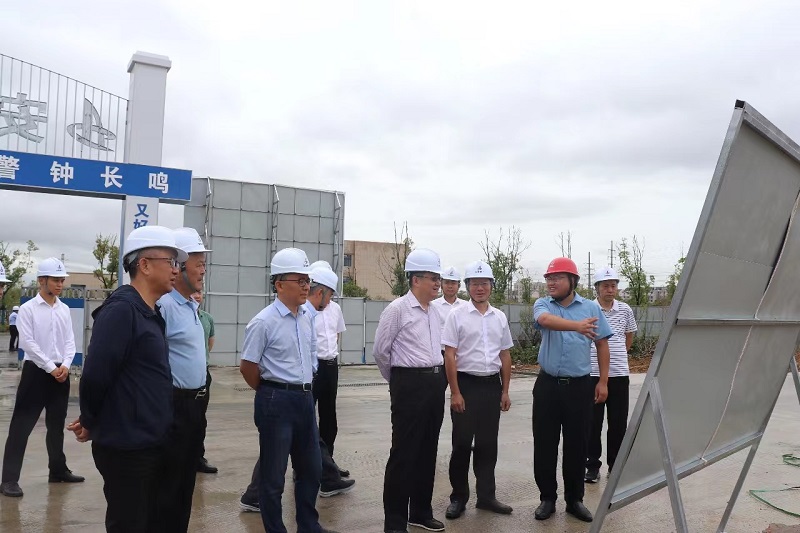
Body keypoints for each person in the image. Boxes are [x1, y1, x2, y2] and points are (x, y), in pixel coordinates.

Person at [68, 225, 185, 532]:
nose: (176, 269)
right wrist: (90, 420)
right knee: (128, 524)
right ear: (144, 265)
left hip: (148, 440)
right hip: (127, 447)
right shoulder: (121, 311)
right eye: (171, 261)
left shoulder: (149, 311)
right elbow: (96, 375)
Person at [238, 263, 354, 514]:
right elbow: (248, 366)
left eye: (306, 282)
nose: (305, 288)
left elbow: (316, 348)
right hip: (283, 391)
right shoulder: (273, 319)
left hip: (313, 378)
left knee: (316, 434)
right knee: (279, 449)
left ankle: (325, 474)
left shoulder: (313, 314)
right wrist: (271, 390)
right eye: (301, 282)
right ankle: (259, 494)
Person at [532, 257, 612, 523]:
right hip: (548, 386)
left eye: (557, 278)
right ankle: (547, 498)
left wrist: (603, 381)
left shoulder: (590, 307)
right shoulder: (543, 304)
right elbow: (545, 320)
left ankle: (575, 500)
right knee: (545, 443)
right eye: (548, 278)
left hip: (579, 387)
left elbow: (602, 344)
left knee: (577, 444)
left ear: (572, 281)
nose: (551, 283)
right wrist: (577, 326)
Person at [374, 248, 448, 533]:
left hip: (434, 382)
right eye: (433, 278)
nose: (438, 283)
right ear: (416, 279)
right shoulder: (397, 310)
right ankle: (394, 522)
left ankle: (420, 512)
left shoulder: (436, 312)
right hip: (408, 384)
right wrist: (399, 381)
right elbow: (381, 352)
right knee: (404, 453)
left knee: (428, 451)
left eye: (438, 278)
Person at [1, 257, 83, 498]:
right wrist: (50, 367)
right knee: (21, 426)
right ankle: (9, 480)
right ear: (41, 280)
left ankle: (57, 470)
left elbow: (70, 341)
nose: (60, 284)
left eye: (62, 280)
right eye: (55, 280)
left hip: (61, 373)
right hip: (36, 372)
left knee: (56, 425)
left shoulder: (64, 309)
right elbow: (27, 343)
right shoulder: (28, 309)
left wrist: (65, 365)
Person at [442, 260, 514, 520]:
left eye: (484, 283)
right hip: (466, 385)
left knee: (487, 444)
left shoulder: (499, 317)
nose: (480, 288)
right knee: (461, 444)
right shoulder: (456, 315)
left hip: (491, 386)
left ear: (492, 286)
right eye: (474, 283)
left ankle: (486, 497)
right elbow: (450, 355)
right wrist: (455, 392)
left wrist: (505, 391)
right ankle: (458, 497)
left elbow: (505, 355)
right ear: (468, 286)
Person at [153, 227, 212, 533]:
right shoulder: (164, 307)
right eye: (199, 264)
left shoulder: (191, 306)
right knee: (168, 486)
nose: (203, 271)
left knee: (186, 484)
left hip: (195, 406)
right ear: (180, 266)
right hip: (174, 407)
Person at [584, 267, 637, 483]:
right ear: (597, 288)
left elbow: (629, 335)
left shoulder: (625, 310)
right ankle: (592, 466)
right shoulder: (588, 309)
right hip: (592, 374)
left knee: (618, 423)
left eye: (613, 285)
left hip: (619, 374)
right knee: (592, 423)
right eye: (605, 286)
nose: (610, 289)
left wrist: (618, 354)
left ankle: (615, 466)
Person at [309, 260, 349, 478]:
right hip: (312, 368)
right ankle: (304, 467)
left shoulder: (336, 309)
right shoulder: (306, 309)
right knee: (308, 418)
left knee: (329, 418)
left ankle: (328, 464)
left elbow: (336, 335)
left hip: (330, 367)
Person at [193, 291, 218, 474]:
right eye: (194, 292)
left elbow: (210, 343)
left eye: (200, 292)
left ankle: (198, 458)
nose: (197, 295)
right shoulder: (178, 315)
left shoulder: (207, 318)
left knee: (200, 418)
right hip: (181, 377)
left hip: (203, 373)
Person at [432, 266, 464, 331]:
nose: (450, 286)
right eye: (446, 283)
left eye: (453, 283)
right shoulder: (433, 306)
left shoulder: (466, 306)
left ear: (459, 286)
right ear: (441, 285)